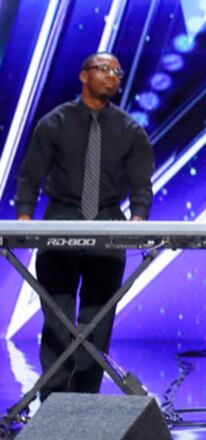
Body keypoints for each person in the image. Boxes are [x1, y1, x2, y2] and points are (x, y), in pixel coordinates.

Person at [15, 52, 154, 401]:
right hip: (61, 218)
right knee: (58, 317)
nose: (112, 76)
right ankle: (55, 402)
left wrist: (137, 221)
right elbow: (30, 176)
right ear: (83, 75)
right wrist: (24, 220)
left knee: (98, 320)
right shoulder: (54, 123)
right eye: (104, 69)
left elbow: (141, 185)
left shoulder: (130, 131)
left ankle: (86, 400)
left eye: (117, 72)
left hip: (108, 223)